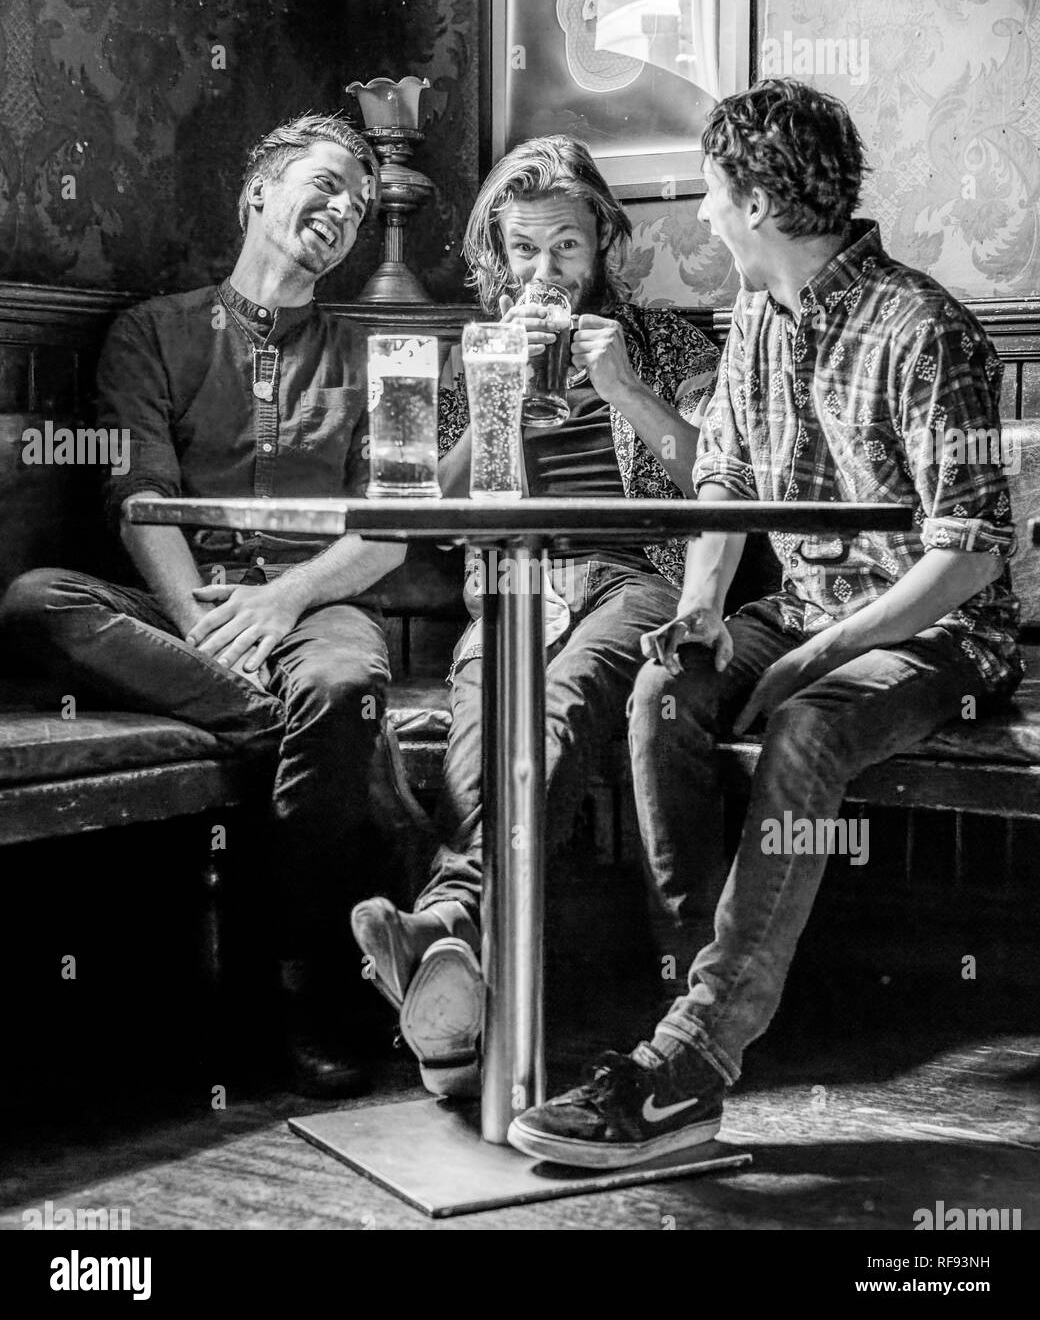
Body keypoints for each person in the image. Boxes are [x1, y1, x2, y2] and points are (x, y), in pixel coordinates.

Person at [505, 80, 1023, 1167]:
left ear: (758, 199)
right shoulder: (754, 326)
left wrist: (816, 655)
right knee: (661, 694)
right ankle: (695, 1021)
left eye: (710, 190)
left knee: (803, 728)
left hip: (942, 641)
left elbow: (968, 550)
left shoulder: (924, 328)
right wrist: (697, 614)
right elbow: (724, 490)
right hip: (799, 611)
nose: (698, 214)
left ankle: (688, 1055)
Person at [0, 113, 410, 1098]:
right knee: (34, 599)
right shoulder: (151, 330)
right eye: (324, 183)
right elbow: (137, 497)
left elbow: (391, 532)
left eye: (357, 201)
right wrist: (204, 626)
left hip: (316, 603)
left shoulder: (387, 355)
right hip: (179, 602)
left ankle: (302, 990)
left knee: (346, 675)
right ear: (258, 195)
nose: (343, 207)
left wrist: (284, 599)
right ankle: (324, 742)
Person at [350, 135, 721, 1095]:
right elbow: (424, 507)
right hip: (512, 583)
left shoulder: (671, 343)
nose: (544, 271)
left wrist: (623, 388)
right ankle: (458, 1000)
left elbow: (717, 485)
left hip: (633, 579)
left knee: (548, 717)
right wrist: (496, 402)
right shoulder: (477, 350)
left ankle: (445, 926)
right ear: (497, 257)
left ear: (601, 240)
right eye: (523, 251)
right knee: (483, 742)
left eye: (565, 246)